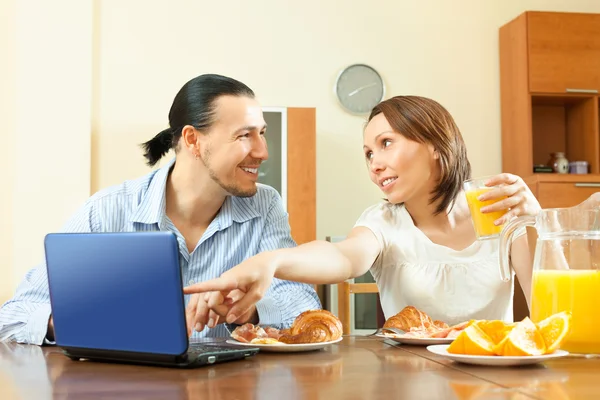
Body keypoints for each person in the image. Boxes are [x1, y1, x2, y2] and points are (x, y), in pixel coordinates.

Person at [0, 74, 321, 345]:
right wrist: (95, 320)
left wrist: (248, 310)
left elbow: (305, 307)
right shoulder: (107, 210)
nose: (263, 151)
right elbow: (13, 317)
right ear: (193, 139)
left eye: (262, 133)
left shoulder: (265, 205)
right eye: (244, 135)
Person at [184, 95, 542, 328]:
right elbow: (341, 257)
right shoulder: (382, 222)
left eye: (386, 144)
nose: (375, 164)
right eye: (369, 153)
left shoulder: (497, 208)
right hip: (408, 383)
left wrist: (536, 222)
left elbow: (552, 308)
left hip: (494, 379)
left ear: (436, 144)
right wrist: (271, 262)